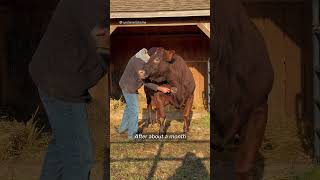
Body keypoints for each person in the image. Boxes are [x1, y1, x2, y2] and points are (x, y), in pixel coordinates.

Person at [28, 0, 107, 179]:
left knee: (62, 145)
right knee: (79, 157)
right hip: (60, 81)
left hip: (56, 74)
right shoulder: (91, 6)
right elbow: (105, 39)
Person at [118, 48, 171, 139]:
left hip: (127, 85)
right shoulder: (139, 63)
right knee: (134, 110)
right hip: (129, 87)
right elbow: (145, 81)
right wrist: (160, 88)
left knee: (129, 108)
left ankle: (122, 129)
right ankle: (132, 135)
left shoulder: (142, 58)